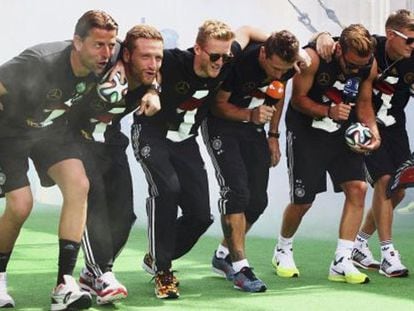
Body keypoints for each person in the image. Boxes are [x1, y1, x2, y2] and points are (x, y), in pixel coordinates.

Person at [131, 20, 268, 299]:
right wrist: (152, 91)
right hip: (152, 133)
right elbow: (149, 68)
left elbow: (248, 31)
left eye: (225, 56)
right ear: (198, 49)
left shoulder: (226, 59)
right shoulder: (173, 60)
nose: (220, 62)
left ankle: (156, 257)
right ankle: (163, 271)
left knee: (200, 216)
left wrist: (307, 46)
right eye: (214, 56)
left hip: (185, 142)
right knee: (166, 191)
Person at [0, 10, 119, 310]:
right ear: (77, 42)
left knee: (79, 184)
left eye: (110, 45)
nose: (106, 53)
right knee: (21, 204)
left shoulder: (111, 59)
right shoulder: (41, 61)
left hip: (52, 132)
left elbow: (150, 55)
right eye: (98, 45)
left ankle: (64, 283)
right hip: (9, 133)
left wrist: (153, 90)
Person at [271, 24, 381, 284]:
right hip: (307, 134)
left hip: (342, 134)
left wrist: (373, 131)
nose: (356, 71)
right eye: (351, 65)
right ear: (339, 49)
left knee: (358, 188)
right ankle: (282, 249)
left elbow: (364, 103)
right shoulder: (314, 58)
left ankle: (341, 260)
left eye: (360, 66)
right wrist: (328, 111)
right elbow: (297, 99)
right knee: (303, 201)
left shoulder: (368, 65)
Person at [203, 30, 303, 292]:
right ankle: (240, 268)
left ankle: (222, 257)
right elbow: (217, 105)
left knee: (257, 201)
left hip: (254, 128)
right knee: (236, 192)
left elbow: (277, 94)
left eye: (285, 70)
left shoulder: (288, 65)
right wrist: (250, 114)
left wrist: (273, 135)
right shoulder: (238, 60)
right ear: (263, 54)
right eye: (275, 68)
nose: (279, 75)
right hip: (221, 125)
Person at [69, 25, 163, 305]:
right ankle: (104, 274)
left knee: (124, 215)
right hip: (75, 141)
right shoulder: (104, 61)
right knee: (94, 207)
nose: (153, 64)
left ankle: (90, 275)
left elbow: (157, 72)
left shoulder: (150, 75)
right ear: (127, 54)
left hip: (111, 142)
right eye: (146, 57)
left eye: (158, 58)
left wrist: (154, 90)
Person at [317, 10, 414, 278]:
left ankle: (360, 243)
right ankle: (388, 254)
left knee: (399, 191)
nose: (413, 46)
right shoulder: (369, 46)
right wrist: (321, 34)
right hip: (364, 125)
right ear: (391, 34)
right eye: (409, 40)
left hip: (395, 126)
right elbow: (329, 41)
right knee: (383, 181)